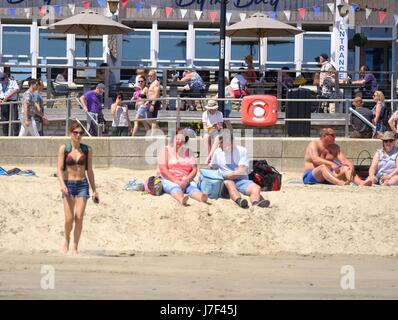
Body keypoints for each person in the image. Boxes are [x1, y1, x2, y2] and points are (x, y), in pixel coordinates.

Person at [57, 120, 98, 256]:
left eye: (81, 133)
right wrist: (62, 185)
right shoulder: (64, 148)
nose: (78, 135)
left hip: (82, 185)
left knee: (79, 217)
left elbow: (90, 171)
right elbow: (58, 169)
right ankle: (67, 239)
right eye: (75, 133)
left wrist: (94, 190)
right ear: (70, 133)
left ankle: (75, 246)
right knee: (69, 219)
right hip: (68, 185)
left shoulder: (87, 150)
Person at [209, 133, 270, 208]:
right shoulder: (217, 152)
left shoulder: (242, 151)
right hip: (225, 180)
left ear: (230, 143)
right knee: (230, 184)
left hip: (240, 179)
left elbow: (240, 171)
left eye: (222, 145)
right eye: (220, 144)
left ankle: (255, 203)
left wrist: (225, 176)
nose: (220, 147)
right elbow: (212, 168)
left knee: (256, 188)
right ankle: (239, 200)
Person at [157, 129, 208, 205]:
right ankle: (181, 198)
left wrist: (187, 180)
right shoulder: (165, 150)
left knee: (192, 188)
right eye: (177, 139)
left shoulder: (189, 151)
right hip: (169, 178)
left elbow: (194, 169)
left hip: (185, 178)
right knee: (174, 187)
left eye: (182, 139)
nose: (180, 141)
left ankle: (201, 197)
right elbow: (163, 170)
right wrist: (176, 181)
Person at [0, 72, 19, 136]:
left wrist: (6, 97)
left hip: (12, 102)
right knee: (4, 119)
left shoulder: (13, 82)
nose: (2, 82)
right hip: (3, 102)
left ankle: (15, 136)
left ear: (6, 78)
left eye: (3, 80)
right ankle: (5, 135)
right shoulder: (0, 82)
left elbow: (16, 90)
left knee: (14, 119)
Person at [147, 69, 161, 136]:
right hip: (150, 102)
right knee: (148, 119)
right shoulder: (152, 83)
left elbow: (156, 94)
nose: (149, 77)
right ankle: (160, 132)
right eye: (148, 76)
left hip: (154, 103)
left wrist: (153, 104)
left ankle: (152, 135)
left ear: (155, 76)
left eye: (151, 76)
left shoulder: (156, 83)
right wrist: (147, 102)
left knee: (153, 120)